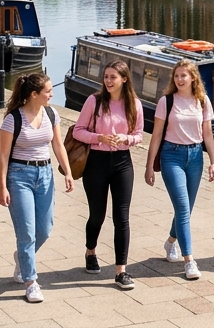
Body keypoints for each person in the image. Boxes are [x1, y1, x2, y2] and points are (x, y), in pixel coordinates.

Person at [0, 72, 74, 304]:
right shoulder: (13, 119)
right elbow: (3, 156)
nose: (52, 94)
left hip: (46, 174)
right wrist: (2, 187)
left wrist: (67, 172)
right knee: (27, 231)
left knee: (45, 228)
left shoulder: (51, 113)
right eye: (48, 91)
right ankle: (31, 281)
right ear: (34, 94)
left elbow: (58, 145)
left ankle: (22, 256)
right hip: (19, 176)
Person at [73, 61, 144, 291]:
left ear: (124, 79)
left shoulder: (134, 104)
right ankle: (90, 251)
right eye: (106, 77)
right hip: (97, 162)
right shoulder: (94, 101)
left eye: (113, 77)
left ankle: (120, 270)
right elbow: (78, 131)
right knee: (97, 215)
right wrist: (99, 138)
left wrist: (126, 139)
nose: (109, 81)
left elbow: (139, 135)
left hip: (123, 162)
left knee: (122, 217)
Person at [143, 60, 214, 280]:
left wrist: (213, 162)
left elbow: (208, 134)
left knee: (186, 209)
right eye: (177, 76)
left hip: (195, 157)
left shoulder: (202, 101)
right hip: (171, 156)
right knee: (183, 208)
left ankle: (171, 242)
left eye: (184, 75)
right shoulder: (166, 102)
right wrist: (148, 166)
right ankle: (189, 261)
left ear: (193, 77)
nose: (180, 79)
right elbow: (156, 135)